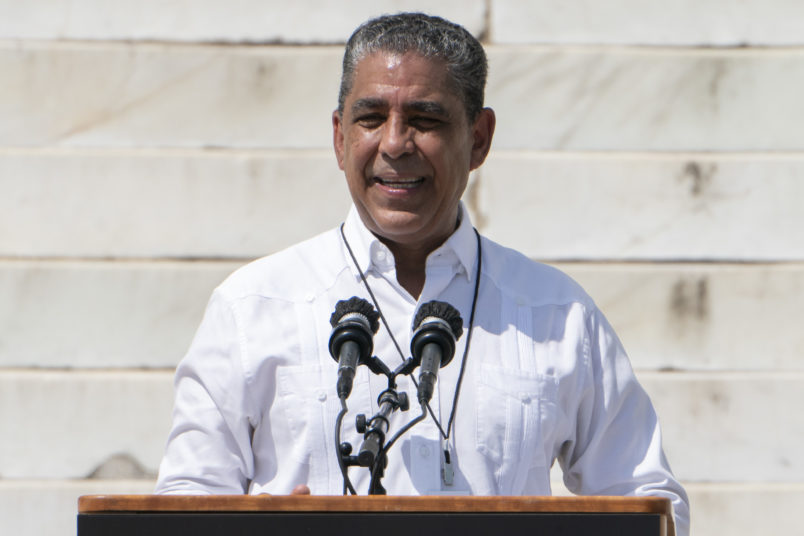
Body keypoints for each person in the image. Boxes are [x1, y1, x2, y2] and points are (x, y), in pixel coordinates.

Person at [155, 12, 690, 536]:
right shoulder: (253, 307)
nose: (394, 144)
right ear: (340, 137)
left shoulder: (557, 315)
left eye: (425, 120)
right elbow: (183, 503)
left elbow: (650, 504)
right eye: (370, 118)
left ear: (478, 138)